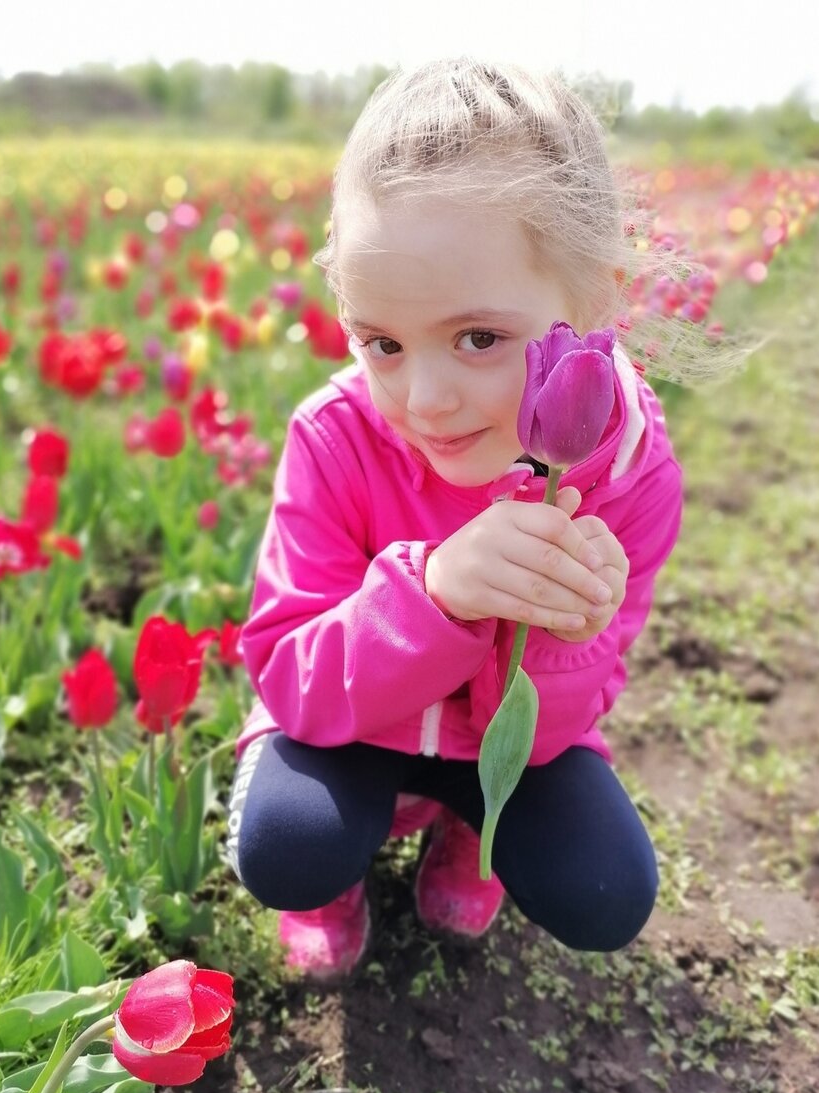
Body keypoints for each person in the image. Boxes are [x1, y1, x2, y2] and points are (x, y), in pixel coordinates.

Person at [226, 57, 684, 980]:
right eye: (382, 343)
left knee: (604, 892)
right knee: (290, 843)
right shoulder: (337, 438)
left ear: (595, 297)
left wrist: (561, 633)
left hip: (495, 745)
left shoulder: (629, 474)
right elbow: (288, 676)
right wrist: (431, 594)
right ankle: (340, 874)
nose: (425, 399)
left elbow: (559, 728)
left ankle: (468, 831)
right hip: (349, 721)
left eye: (479, 338)